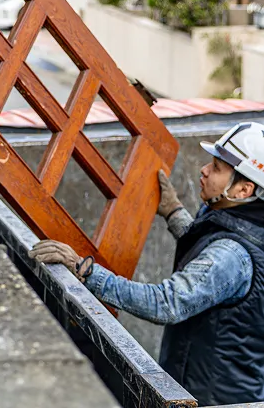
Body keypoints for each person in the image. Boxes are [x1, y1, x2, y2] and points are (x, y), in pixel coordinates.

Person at [30, 121, 264, 405]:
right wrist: (173, 211)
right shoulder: (246, 227)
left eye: (216, 167)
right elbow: (208, 260)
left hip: (213, 400)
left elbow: (165, 303)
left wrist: (85, 271)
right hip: (212, 388)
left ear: (243, 190)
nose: (204, 170)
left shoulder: (231, 254)